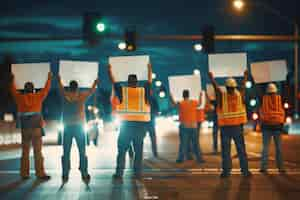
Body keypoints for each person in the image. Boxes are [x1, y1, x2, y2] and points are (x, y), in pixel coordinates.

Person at [108, 63, 152, 181]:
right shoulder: (143, 92)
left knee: (122, 151)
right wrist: (149, 69)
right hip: (140, 127)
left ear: (128, 82)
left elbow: (114, 81)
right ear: (137, 82)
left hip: (126, 126)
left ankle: (119, 174)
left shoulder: (123, 91)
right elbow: (149, 82)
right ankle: (137, 174)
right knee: (138, 152)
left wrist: (110, 69)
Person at [209, 71, 251, 178]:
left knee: (226, 151)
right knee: (241, 150)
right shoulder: (239, 95)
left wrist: (212, 78)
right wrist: (245, 76)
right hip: (237, 128)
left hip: (225, 129)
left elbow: (216, 88)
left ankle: (226, 171)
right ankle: (245, 171)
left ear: (226, 87)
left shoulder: (222, 97)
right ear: (234, 87)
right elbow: (242, 87)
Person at [10, 72, 52, 180]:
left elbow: (13, 90)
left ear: (24, 90)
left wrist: (12, 79)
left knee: (25, 153)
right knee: (38, 152)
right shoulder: (38, 96)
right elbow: (46, 90)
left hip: (25, 130)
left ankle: (24, 174)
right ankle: (40, 173)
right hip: (36, 129)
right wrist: (49, 78)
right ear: (33, 90)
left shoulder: (19, 98)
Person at [58, 76, 99, 183]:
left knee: (66, 151)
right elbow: (91, 91)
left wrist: (59, 79)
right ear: (77, 88)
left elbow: (60, 87)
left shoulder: (65, 95)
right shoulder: (81, 96)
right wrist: (95, 82)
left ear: (69, 87)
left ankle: (65, 173)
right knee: (82, 151)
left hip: (67, 127)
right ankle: (84, 172)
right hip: (79, 127)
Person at [170, 90, 205, 164]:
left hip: (184, 126)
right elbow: (200, 104)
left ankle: (180, 158)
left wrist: (171, 96)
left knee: (183, 143)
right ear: (189, 95)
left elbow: (173, 104)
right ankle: (199, 158)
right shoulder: (194, 102)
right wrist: (200, 95)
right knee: (196, 143)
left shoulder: (181, 103)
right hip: (193, 126)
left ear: (183, 96)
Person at [259, 83, 285, 173]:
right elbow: (282, 112)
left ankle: (263, 167)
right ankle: (281, 167)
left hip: (266, 127)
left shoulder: (264, 99)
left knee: (265, 148)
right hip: (277, 126)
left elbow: (261, 112)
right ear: (275, 91)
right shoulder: (279, 99)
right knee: (279, 148)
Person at [145, 87, 159, 157]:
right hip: (150, 121)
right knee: (153, 137)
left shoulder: (142, 99)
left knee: (140, 138)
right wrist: (154, 114)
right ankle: (155, 152)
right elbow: (157, 110)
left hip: (143, 121)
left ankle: (139, 153)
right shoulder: (153, 99)